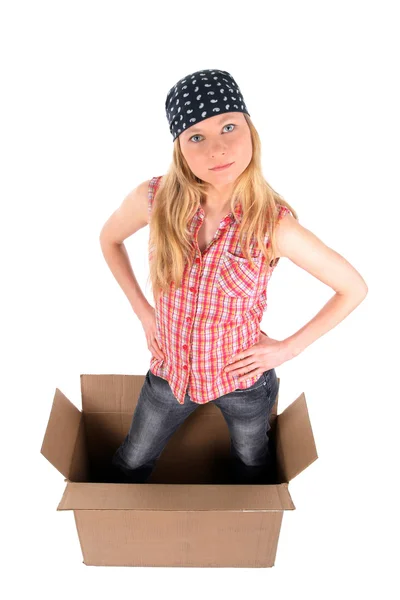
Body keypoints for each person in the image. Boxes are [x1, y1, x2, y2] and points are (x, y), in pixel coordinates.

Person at [99, 68, 368, 485]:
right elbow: (109, 241)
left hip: (242, 381)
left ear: (250, 130)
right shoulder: (153, 200)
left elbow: (353, 288)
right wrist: (143, 311)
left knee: (252, 465)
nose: (217, 149)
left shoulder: (272, 225)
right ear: (179, 148)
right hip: (169, 374)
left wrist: (287, 350)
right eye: (197, 137)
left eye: (229, 127)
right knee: (130, 462)